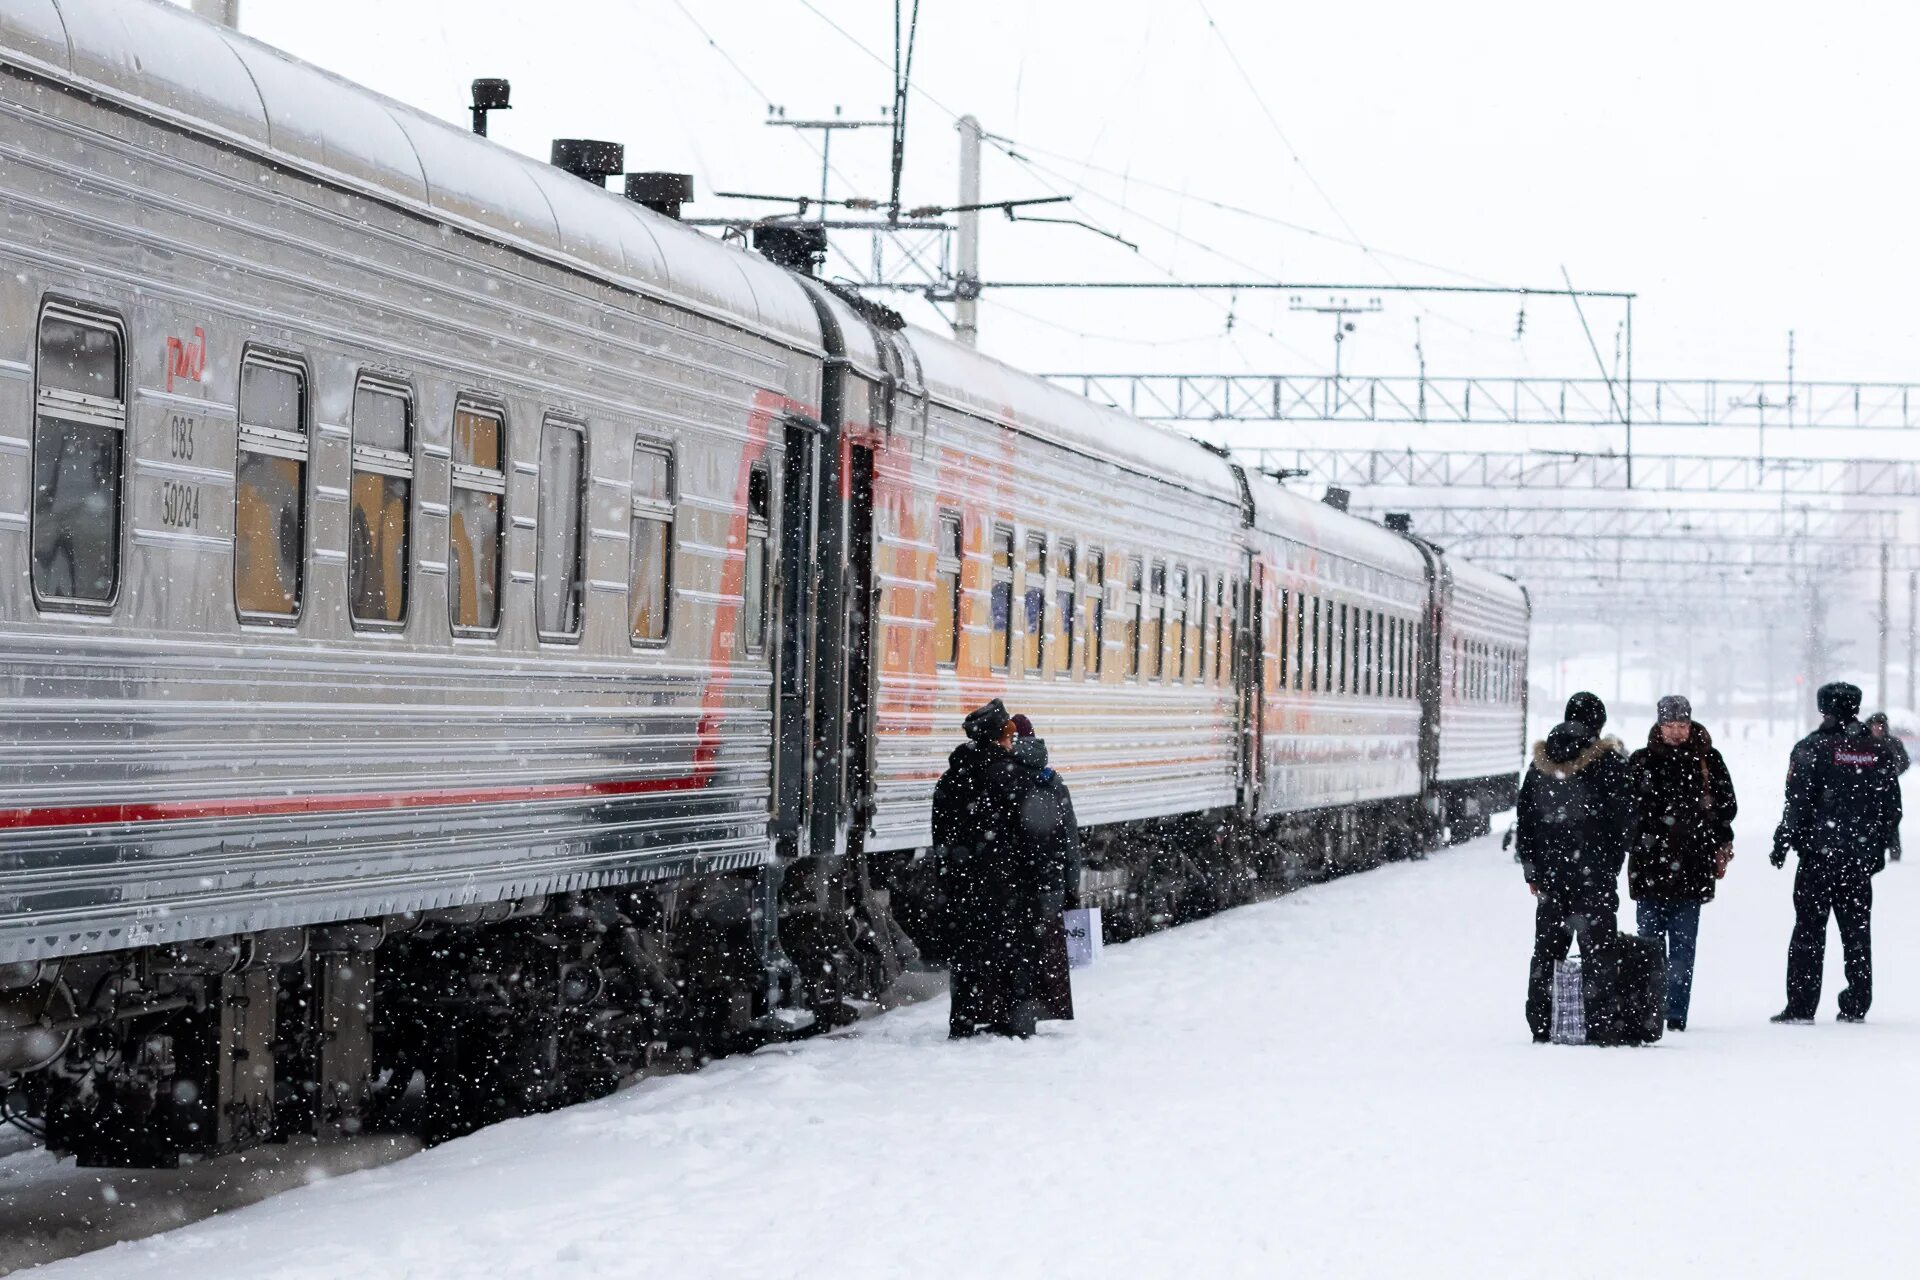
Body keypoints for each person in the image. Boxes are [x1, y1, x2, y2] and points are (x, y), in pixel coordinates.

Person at [1770, 682, 1904, 1024]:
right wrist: (1874, 846)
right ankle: (1856, 1003)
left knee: (1809, 931)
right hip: (1858, 861)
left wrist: (1784, 841)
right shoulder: (1877, 752)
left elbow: (1797, 804)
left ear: (1823, 707)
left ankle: (1801, 1005)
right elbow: (1892, 809)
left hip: (1818, 857)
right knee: (1857, 932)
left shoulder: (1811, 748)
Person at [930, 700, 1057, 1039]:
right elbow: (1035, 836)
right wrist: (1043, 880)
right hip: (1010, 886)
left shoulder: (950, 779)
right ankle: (1014, 1019)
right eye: (1008, 735)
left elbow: (940, 837)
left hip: (965, 886)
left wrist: (950, 876)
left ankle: (964, 1021)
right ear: (1001, 738)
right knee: (1015, 956)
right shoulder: (1015, 778)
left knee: (968, 958)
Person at [1516, 692, 1638, 1042]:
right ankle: (1600, 1024)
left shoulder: (1540, 763)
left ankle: (1541, 1023)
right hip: (1594, 877)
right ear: (1598, 724)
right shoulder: (1610, 763)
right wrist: (1611, 862)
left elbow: (1526, 819)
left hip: (1552, 878)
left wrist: (1533, 871)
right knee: (1599, 952)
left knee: (1547, 951)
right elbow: (1624, 820)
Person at [1626, 695, 1737, 1032]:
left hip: (1689, 868)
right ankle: (1652, 1010)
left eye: (1682, 725)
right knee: (1651, 947)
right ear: (1659, 725)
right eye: (1671, 725)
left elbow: (1728, 806)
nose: (1676, 732)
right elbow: (1627, 813)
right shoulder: (1641, 762)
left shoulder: (1708, 760)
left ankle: (1673, 1014)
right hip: (1654, 869)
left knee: (1682, 950)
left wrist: (1708, 831)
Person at [1009, 714, 1081, 1022]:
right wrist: (1070, 883)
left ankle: (1016, 1010)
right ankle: (1041, 1008)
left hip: (1016, 881)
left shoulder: (1006, 778)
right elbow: (1069, 838)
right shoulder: (1051, 780)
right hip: (1048, 879)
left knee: (1016, 949)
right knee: (1046, 952)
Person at [1868, 712, 1909, 860]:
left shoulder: (1893, 743)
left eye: (1880, 725)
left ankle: (1894, 850)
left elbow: (1904, 761)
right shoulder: (1864, 743)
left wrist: (1892, 772)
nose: (1877, 728)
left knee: (1892, 818)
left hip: (1888, 788)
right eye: (1874, 725)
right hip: (1868, 789)